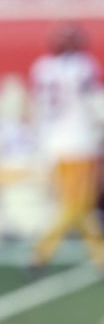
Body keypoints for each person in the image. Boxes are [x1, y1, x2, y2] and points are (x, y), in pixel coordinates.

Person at [30, 27, 104, 271]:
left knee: (80, 206)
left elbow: (38, 108)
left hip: (54, 145)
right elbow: (95, 105)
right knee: (74, 207)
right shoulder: (83, 66)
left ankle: (100, 256)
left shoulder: (42, 68)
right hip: (79, 144)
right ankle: (40, 253)